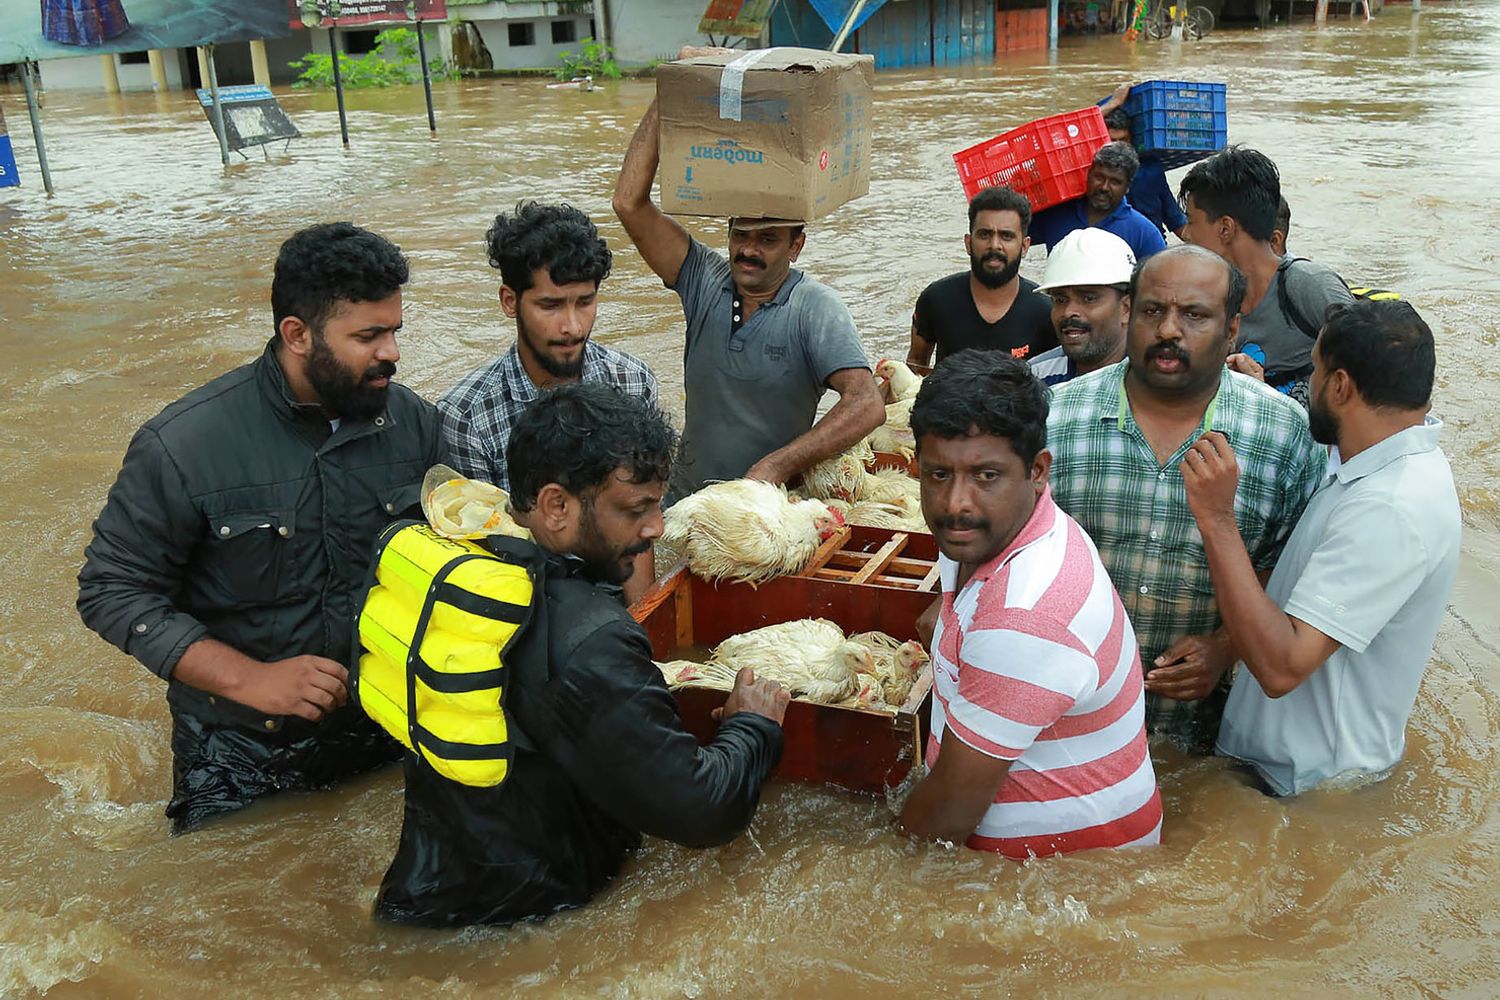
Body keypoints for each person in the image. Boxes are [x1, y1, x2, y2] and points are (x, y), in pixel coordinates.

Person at [77, 222, 448, 833]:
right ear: (297, 335)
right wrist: (252, 680)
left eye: (395, 331)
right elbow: (112, 590)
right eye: (368, 335)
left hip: (384, 726)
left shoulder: (415, 428)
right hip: (238, 751)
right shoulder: (183, 445)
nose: (392, 353)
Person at [373, 383, 788, 927]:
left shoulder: (471, 548)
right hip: (529, 922)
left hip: (432, 891)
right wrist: (752, 729)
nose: (657, 528)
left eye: (657, 504)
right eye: (635, 509)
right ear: (555, 506)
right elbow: (703, 811)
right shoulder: (587, 642)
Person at [1046, 245, 1327, 754]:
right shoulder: (1055, 420)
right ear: (1130, 313)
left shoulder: (1285, 436)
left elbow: (1290, 570)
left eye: (1194, 315)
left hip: (1207, 738)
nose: (1169, 331)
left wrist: (1224, 647)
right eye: (1154, 311)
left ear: (1233, 329)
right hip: (1064, 723)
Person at [1181, 300, 1459, 796]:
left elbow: (1282, 667)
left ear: (1340, 386)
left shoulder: (1389, 508)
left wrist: (1217, 519)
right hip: (1290, 771)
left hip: (1300, 788)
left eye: (1314, 370)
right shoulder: (1379, 461)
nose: (1309, 382)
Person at [897, 351, 1161, 857]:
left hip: (1077, 883)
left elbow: (944, 820)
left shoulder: (1025, 615)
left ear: (1038, 470)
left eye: (986, 475)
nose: (956, 503)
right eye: (937, 475)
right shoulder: (996, 532)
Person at [612, 88, 885, 501]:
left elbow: (867, 403)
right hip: (685, 501)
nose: (748, 250)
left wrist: (779, 465)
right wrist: (667, 92)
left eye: (767, 240)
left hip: (764, 511)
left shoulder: (814, 307)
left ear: (796, 247)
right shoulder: (703, 279)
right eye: (739, 236)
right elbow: (628, 202)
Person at [438, 202, 658, 600]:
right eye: (550, 305)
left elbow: (639, 519)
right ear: (509, 301)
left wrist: (643, 635)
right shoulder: (467, 417)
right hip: (530, 599)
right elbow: (486, 559)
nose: (572, 326)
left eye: (585, 302)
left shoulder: (632, 381)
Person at [1178, 146, 1354, 404]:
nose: (1186, 236)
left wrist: (1264, 394)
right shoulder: (1211, 299)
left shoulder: (1309, 285)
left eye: (1192, 222)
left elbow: (1371, 379)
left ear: (1225, 228)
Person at [907, 187, 1056, 367]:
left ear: (1024, 246)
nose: (994, 245)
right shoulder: (936, 299)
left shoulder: (1046, 312)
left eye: (1006, 236)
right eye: (985, 234)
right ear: (968, 243)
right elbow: (916, 365)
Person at [1029, 227, 1135, 386]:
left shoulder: (1159, 378)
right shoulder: (1033, 379)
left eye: (1088, 298)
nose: (1069, 312)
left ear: (1126, 308)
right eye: (1060, 299)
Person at [1029, 143, 1167, 263]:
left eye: (1115, 182)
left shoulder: (1144, 234)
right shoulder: (1054, 214)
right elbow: (1016, 240)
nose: (1104, 187)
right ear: (1088, 175)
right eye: (1099, 177)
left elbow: (1160, 284)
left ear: (1127, 187)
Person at [1102, 107, 1188, 241]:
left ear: (1131, 140)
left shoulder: (1152, 170)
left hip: (1153, 248)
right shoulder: (1094, 179)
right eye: (1112, 142)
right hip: (1116, 251)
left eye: (1123, 140)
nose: (1118, 149)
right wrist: (1114, 103)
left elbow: (1176, 221)